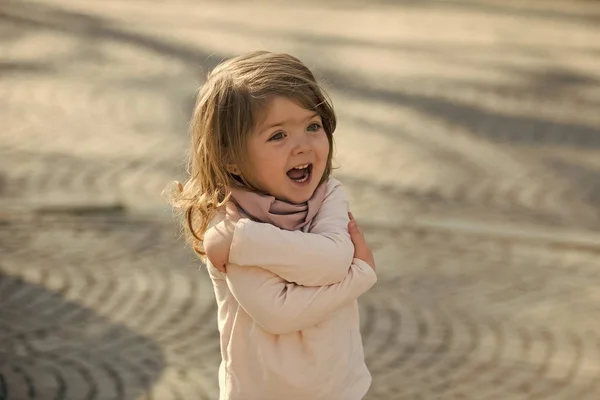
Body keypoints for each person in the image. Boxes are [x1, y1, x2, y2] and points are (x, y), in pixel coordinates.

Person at [169, 50, 377, 400]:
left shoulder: (328, 197)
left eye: (313, 126)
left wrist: (244, 242)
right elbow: (279, 314)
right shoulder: (229, 221)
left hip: (341, 390)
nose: (303, 146)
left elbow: (334, 258)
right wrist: (360, 275)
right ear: (231, 157)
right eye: (277, 136)